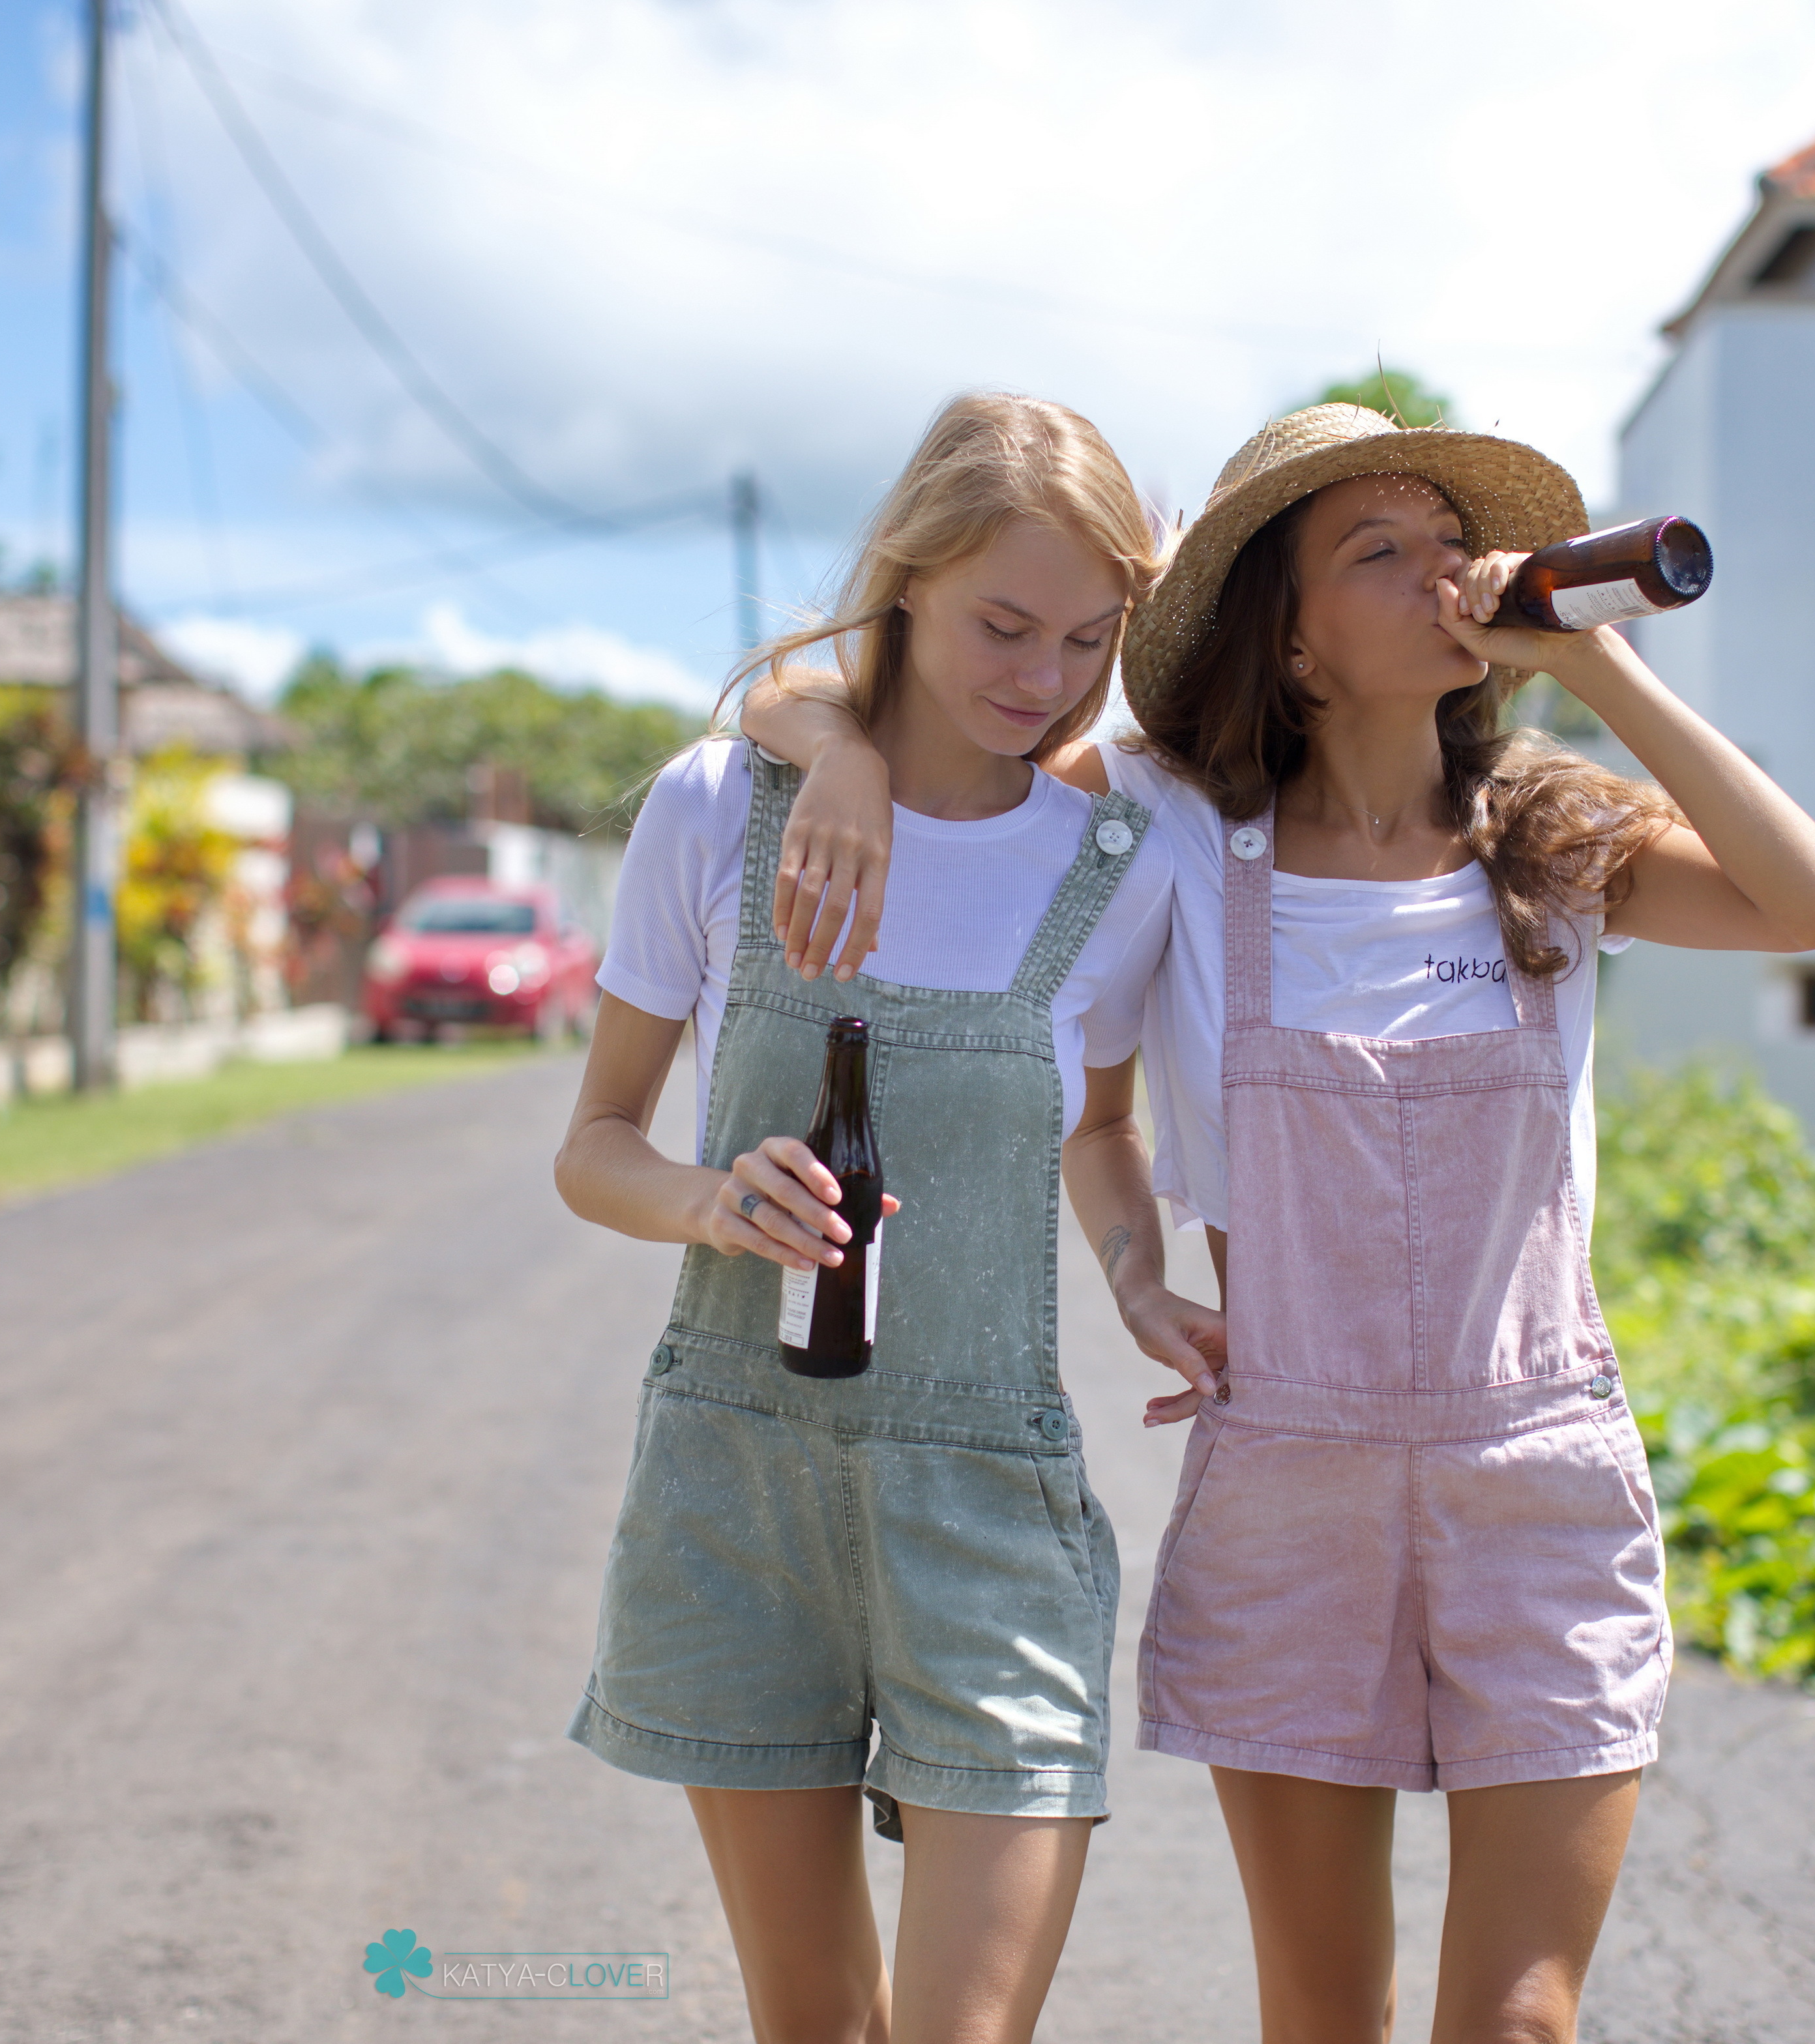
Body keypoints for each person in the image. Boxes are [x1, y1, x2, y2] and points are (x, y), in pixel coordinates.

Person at [743, 402, 1815, 2043]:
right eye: (1380, 551)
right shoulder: (1174, 829)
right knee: (1324, 2009)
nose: (1444, 574)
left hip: (1537, 1468)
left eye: (1448, 544)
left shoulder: (1549, 841)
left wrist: (1599, 670)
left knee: (1523, 2018)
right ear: (1295, 635)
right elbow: (842, 707)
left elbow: (1814, 900)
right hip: (1291, 1483)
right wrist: (1135, 1262)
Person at [554, 392, 1180, 2044]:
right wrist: (707, 1198)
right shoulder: (714, 807)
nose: (1042, 677)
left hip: (992, 1501)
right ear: (903, 577)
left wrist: (1139, 1269)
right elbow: (595, 1142)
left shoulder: (1120, 860)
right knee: (815, 2019)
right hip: (740, 1483)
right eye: (1002, 621)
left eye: (1087, 638)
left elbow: (1106, 1130)